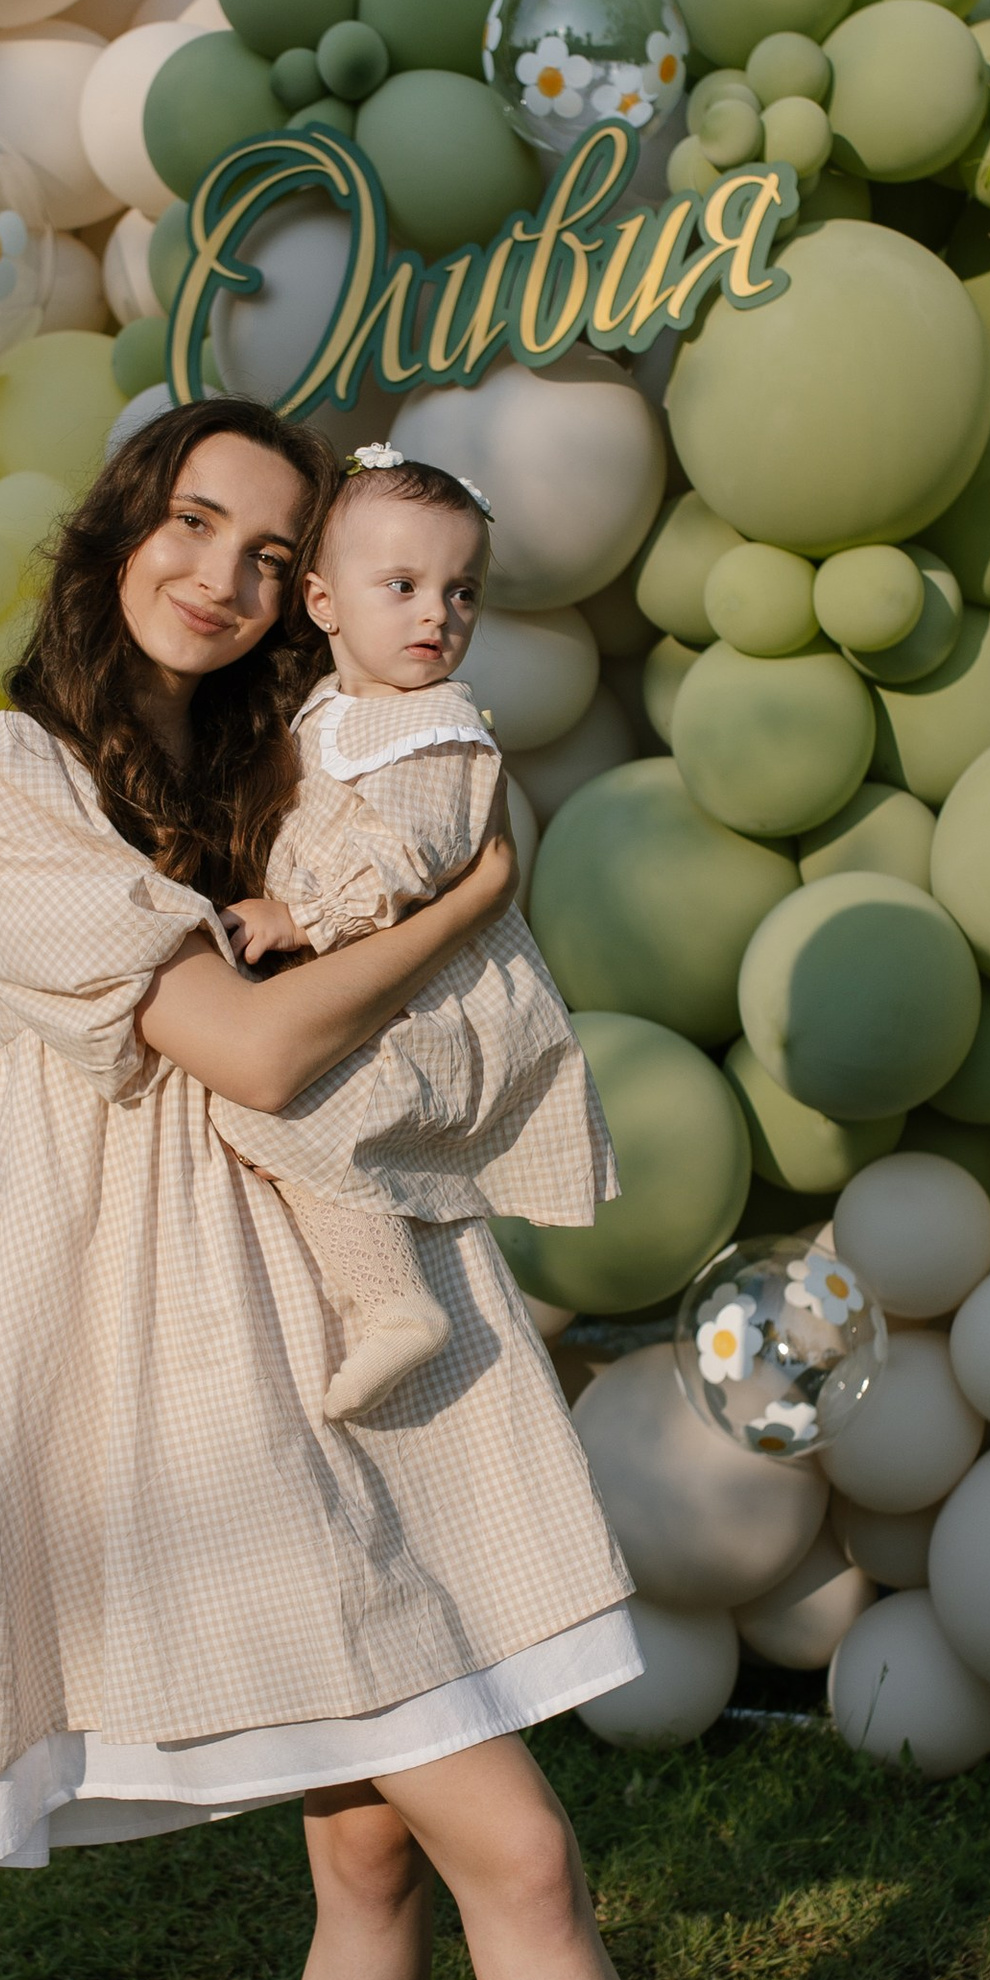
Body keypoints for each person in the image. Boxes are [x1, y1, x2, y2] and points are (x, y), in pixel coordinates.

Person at [0, 395, 935, 1980]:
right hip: (207, 1384)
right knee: (519, 1853)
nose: (227, 576)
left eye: (272, 553)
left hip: (384, 1352)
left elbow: (419, 1007)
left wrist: (423, 880)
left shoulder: (287, 752)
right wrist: (468, 894)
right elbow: (254, 1052)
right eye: (196, 526)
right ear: (116, 534)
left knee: (371, 1866)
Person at [218, 439, 603, 1421]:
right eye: (402, 584)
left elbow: (406, 860)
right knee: (264, 1113)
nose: (437, 612)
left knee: (284, 1109)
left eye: (462, 591)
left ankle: (391, 1303)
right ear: (323, 604)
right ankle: (364, 1296)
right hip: (361, 982)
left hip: (422, 1000)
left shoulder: (439, 727)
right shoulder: (327, 713)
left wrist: (295, 915)